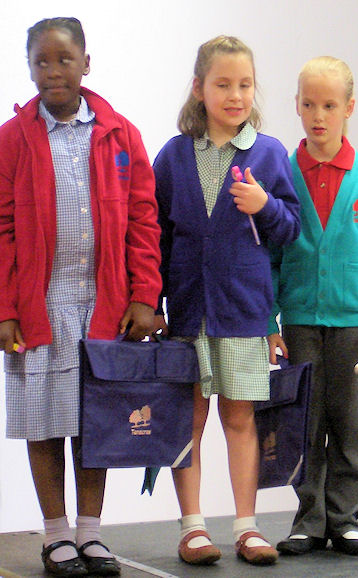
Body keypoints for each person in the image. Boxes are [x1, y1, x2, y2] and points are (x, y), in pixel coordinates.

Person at [0, 16, 161, 577]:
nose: (52, 72)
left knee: (99, 418)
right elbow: (0, 227)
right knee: (43, 418)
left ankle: (91, 533)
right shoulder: (14, 137)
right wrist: (4, 309)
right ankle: (54, 535)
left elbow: (144, 220)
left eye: (63, 60)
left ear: (86, 63)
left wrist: (145, 296)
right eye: (40, 61)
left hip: (104, 303)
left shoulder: (119, 134)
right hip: (38, 306)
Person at [153, 36, 300, 566]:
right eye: (222, 84)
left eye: (244, 84)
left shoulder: (270, 152)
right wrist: (154, 302)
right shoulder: (172, 157)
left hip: (243, 312)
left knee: (241, 419)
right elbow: (157, 238)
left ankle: (246, 525)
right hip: (189, 314)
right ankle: (192, 526)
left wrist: (264, 206)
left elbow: (290, 229)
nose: (235, 95)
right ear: (199, 89)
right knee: (187, 420)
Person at [268, 56, 358, 557]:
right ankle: (309, 518)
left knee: (347, 420)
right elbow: (271, 254)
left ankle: (345, 518)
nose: (318, 115)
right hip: (299, 321)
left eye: (329, 105)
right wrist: (268, 322)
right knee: (304, 420)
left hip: (351, 325)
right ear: (297, 107)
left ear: (349, 107)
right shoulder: (282, 174)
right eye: (308, 104)